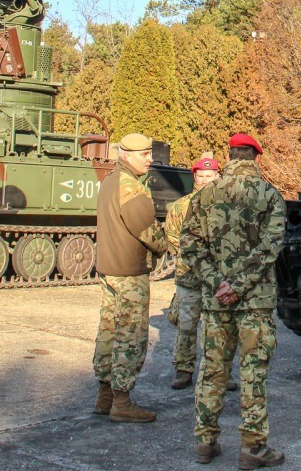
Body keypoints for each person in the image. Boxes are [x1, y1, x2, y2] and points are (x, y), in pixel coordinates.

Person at [181, 133, 286, 469]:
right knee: (253, 373)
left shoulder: (206, 195)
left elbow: (190, 245)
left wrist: (218, 284)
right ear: (256, 158)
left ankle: (205, 441)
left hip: (216, 302)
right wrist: (239, 285)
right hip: (255, 302)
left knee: (212, 371)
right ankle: (253, 447)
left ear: (229, 157)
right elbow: (270, 247)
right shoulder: (270, 195)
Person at [92, 132, 168, 423]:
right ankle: (121, 402)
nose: (150, 159)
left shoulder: (110, 181)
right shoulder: (131, 188)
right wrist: (165, 246)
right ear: (126, 155)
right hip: (130, 272)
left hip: (110, 269)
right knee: (131, 335)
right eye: (144, 154)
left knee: (108, 331)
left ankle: (105, 396)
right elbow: (147, 230)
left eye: (149, 153)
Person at [165, 155, 238, 392]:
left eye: (210, 176)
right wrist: (195, 256)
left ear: (218, 176)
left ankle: (219, 372)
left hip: (217, 278)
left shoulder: (227, 206)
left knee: (217, 328)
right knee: (186, 326)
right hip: (189, 276)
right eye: (201, 176)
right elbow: (172, 236)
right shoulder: (181, 206)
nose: (205, 180)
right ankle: (184, 369)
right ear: (195, 176)